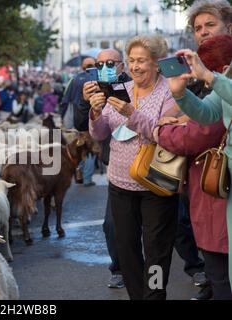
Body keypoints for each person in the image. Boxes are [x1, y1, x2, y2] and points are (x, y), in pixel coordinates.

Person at [89, 35, 179, 300]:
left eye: (142, 61)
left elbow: (165, 134)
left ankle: (154, 296)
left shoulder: (170, 92)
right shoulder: (122, 88)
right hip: (119, 184)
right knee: (126, 250)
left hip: (156, 184)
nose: (135, 66)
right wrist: (95, 112)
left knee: (156, 254)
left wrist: (131, 114)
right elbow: (100, 133)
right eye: (131, 61)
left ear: (156, 63)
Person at [156, 34, 232, 300]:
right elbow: (208, 113)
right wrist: (180, 92)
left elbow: (196, 134)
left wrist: (212, 78)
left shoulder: (220, 77)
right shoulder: (226, 75)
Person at [82, 49, 131, 289]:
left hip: (146, 165)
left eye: (110, 63)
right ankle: (119, 269)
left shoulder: (135, 86)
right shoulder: (91, 88)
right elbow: (88, 128)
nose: (104, 67)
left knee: (163, 228)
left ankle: (194, 268)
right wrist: (87, 105)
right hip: (117, 169)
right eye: (99, 64)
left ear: (122, 65)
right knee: (112, 224)